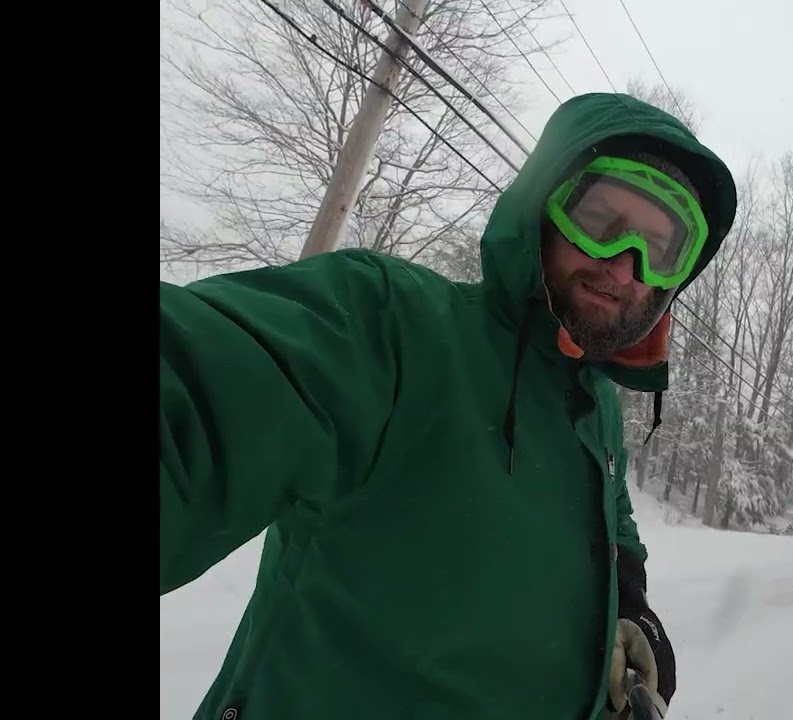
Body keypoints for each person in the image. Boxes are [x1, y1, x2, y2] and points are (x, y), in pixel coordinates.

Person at [159, 92, 738, 720]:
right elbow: (201, 395)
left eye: (658, 248)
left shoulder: (597, 406)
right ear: (541, 211)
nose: (624, 268)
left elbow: (614, 517)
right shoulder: (395, 325)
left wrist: (629, 601)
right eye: (599, 221)